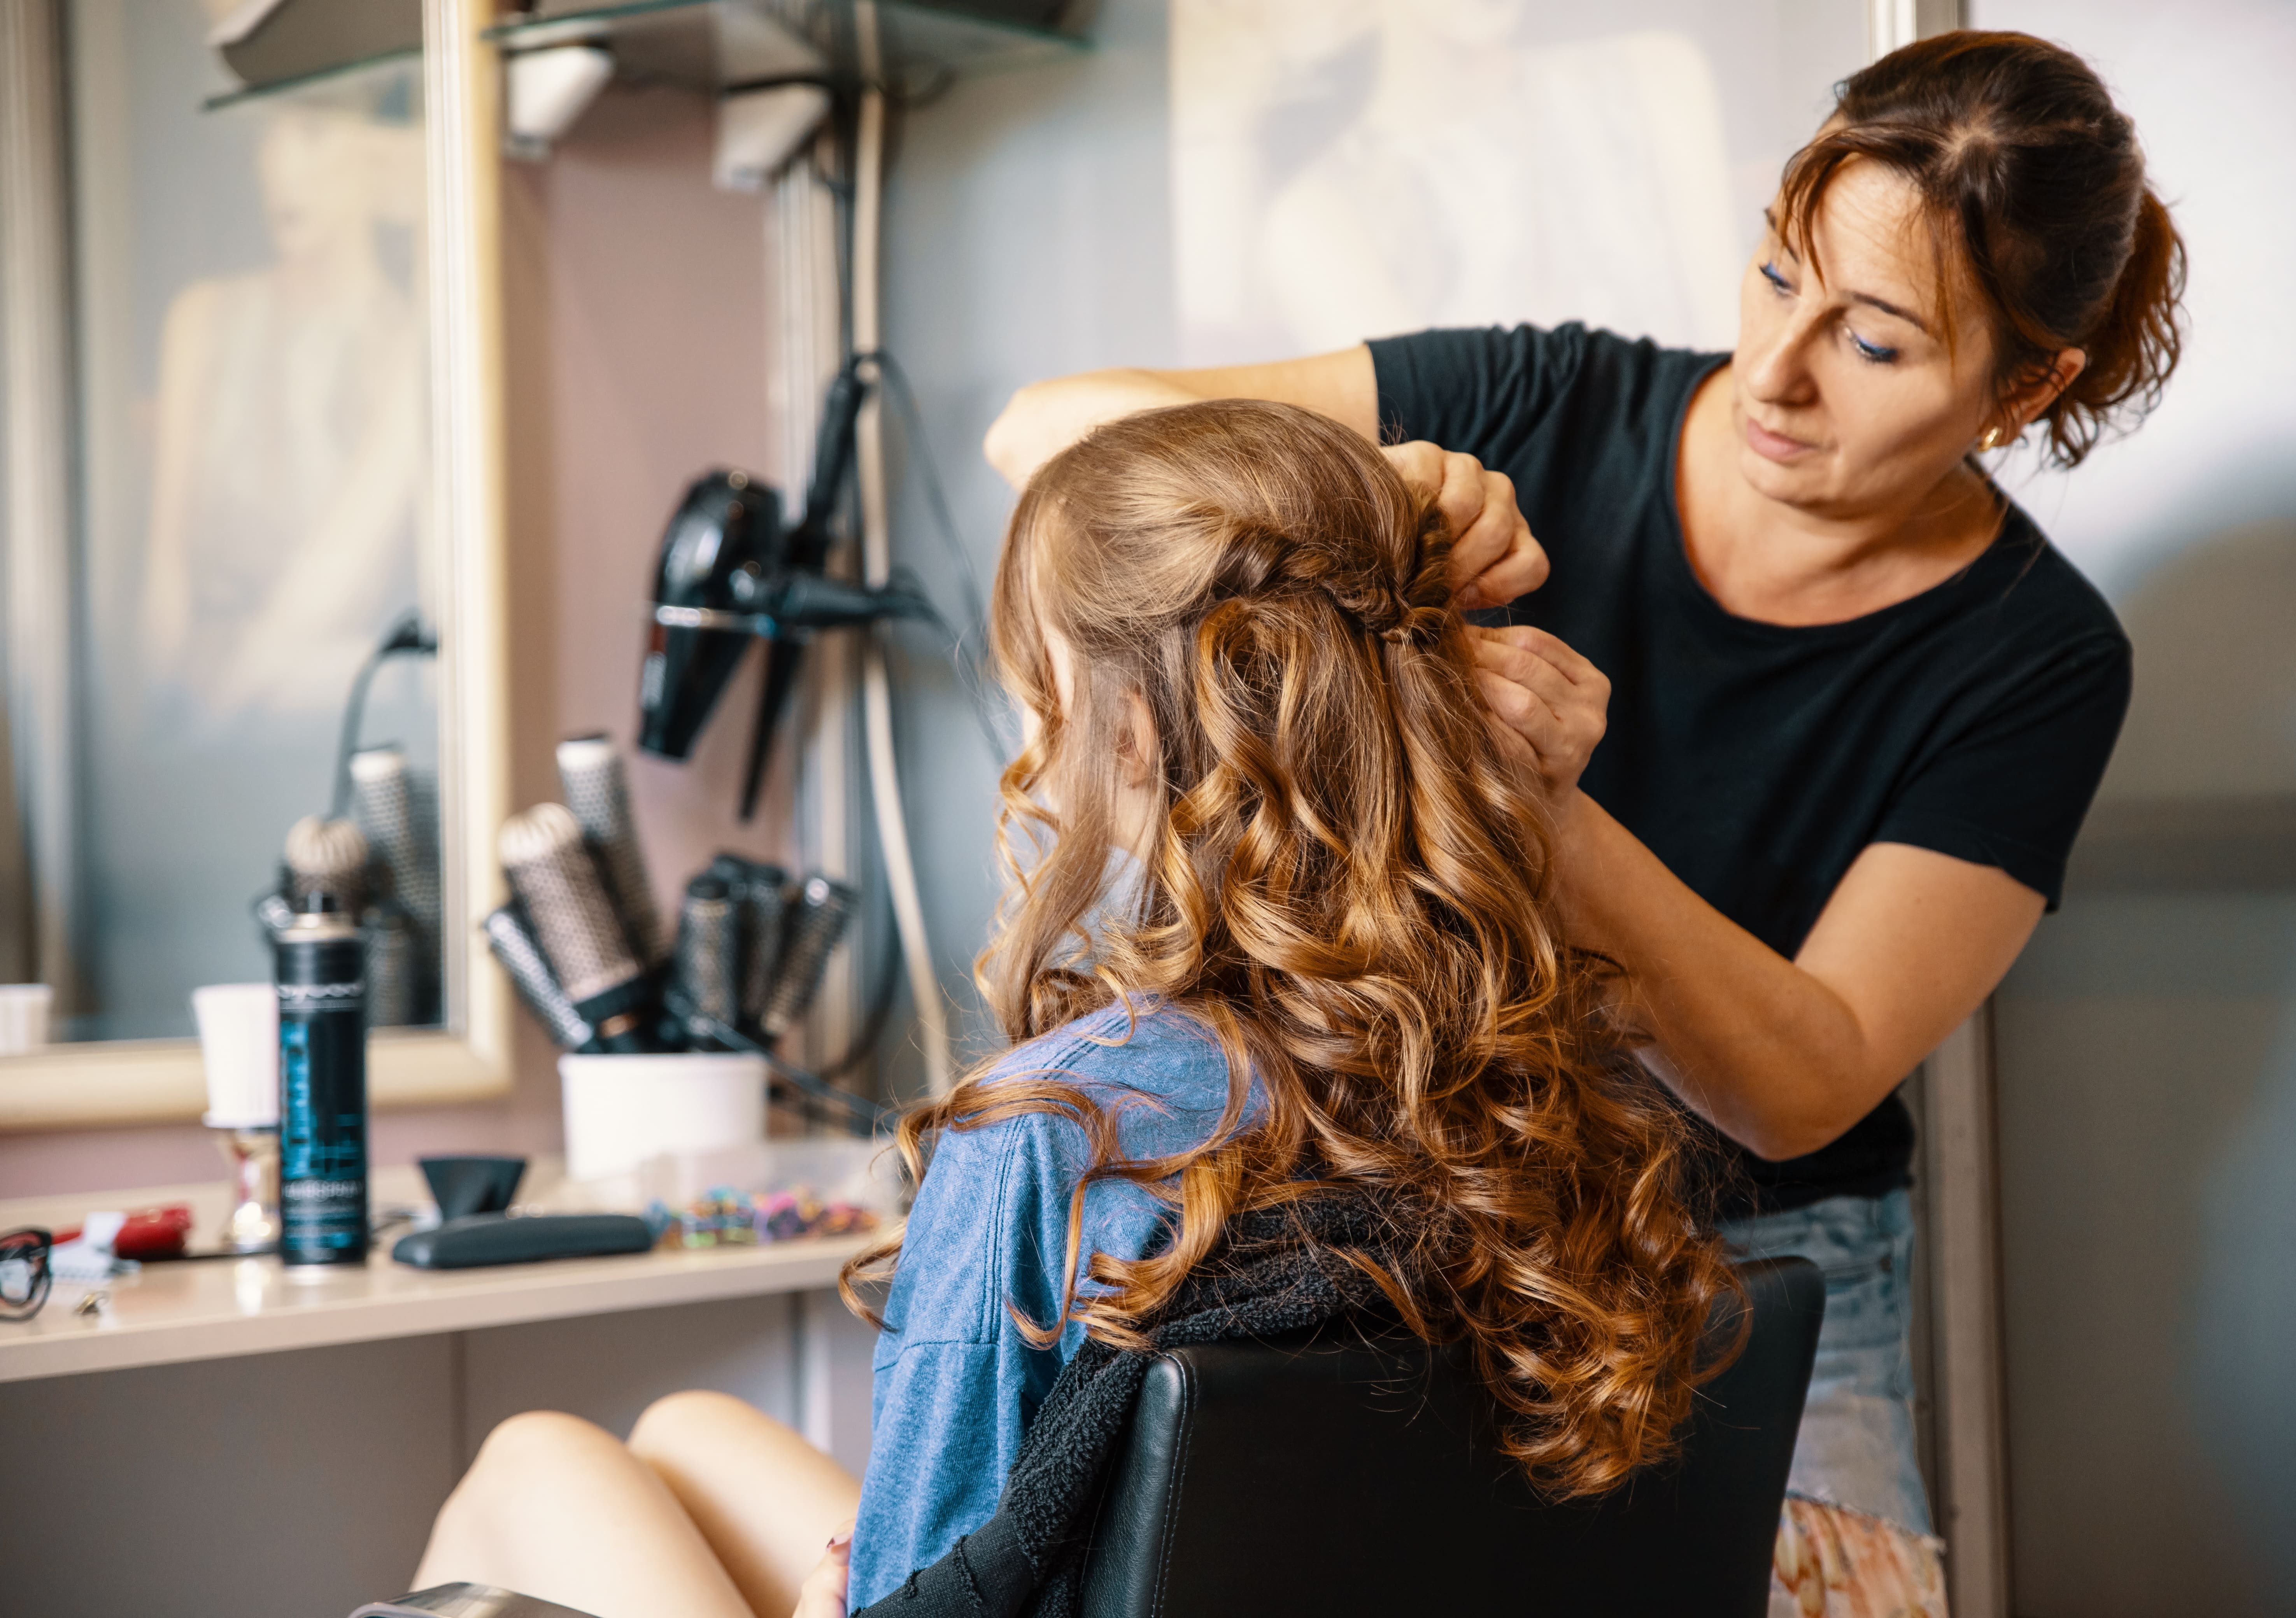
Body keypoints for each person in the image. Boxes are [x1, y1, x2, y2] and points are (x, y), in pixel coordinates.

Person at [983, 29, 2184, 1606]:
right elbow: (1047, 433)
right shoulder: (1550, 395)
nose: (1777, 368)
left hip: (1761, 1282)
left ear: (2027, 385)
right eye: (1775, 273)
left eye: (1876, 343)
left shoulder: (2035, 656)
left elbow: (1804, 1083)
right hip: (1441, 1234)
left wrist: (1550, 821)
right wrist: (1383, 483)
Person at [410, 399, 1735, 1618]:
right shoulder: (1523, 1068)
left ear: (1138, 732)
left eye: (1042, 691)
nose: (1029, 747)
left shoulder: (1059, 1123)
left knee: (532, 1466)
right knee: (685, 1432)